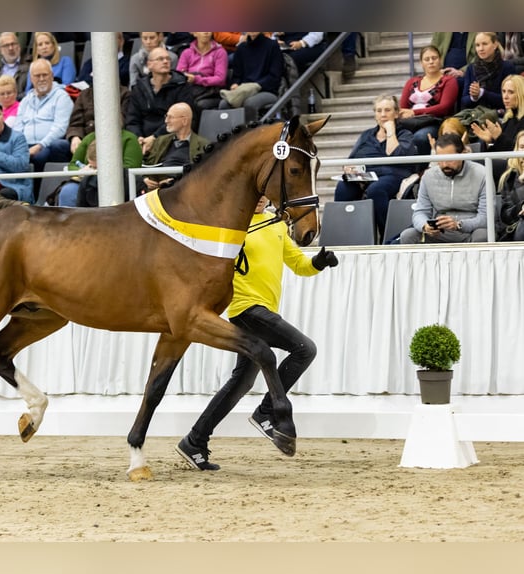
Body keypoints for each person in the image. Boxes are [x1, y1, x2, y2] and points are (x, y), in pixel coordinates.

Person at [175, 195, 339, 471]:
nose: (260, 199)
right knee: (304, 349)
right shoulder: (232, 225)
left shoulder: (276, 224)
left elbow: (298, 264)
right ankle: (267, 411)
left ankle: (194, 441)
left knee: (241, 382)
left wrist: (319, 263)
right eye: (256, 194)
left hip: (265, 310)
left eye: (264, 195)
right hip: (245, 308)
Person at [334, 94, 417, 239]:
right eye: (379, 111)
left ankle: (389, 237)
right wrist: (350, 169)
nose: (383, 114)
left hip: (393, 174)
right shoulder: (367, 135)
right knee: (343, 187)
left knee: (376, 190)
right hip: (365, 175)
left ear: (396, 113)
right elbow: (351, 160)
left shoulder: (404, 134)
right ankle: (344, 236)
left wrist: (390, 130)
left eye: (387, 110)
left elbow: (396, 155)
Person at [399, 132, 487, 244]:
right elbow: (420, 212)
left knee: (482, 236)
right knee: (408, 235)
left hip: (471, 229)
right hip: (440, 231)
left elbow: (486, 217)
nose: (444, 164)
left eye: (450, 159)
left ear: (463, 153)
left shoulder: (482, 173)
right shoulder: (428, 176)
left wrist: (459, 224)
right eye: (440, 159)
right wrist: (425, 226)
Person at [125, 46, 196, 155]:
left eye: (167, 59)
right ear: (149, 64)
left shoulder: (182, 86)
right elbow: (132, 120)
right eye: (160, 59)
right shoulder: (139, 88)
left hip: (172, 138)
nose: (165, 62)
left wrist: (154, 138)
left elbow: (181, 120)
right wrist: (139, 138)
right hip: (143, 140)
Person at [13, 59, 73, 174]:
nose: (41, 79)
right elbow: (17, 128)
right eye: (37, 76)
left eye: (44, 75)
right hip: (26, 145)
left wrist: (40, 145)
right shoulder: (26, 100)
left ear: (52, 76)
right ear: (31, 78)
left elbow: (60, 128)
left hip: (47, 145)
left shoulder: (62, 97)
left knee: (39, 156)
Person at [398, 45, 459, 157]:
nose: (431, 62)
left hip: (434, 121)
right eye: (427, 59)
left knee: (420, 138)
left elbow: (444, 107)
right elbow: (402, 107)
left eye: (434, 58)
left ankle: (419, 170)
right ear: (421, 63)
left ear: (440, 60)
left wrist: (414, 112)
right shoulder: (412, 82)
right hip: (410, 122)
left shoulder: (448, 81)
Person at [139, 102, 209, 194]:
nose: (166, 121)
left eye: (171, 117)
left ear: (184, 121)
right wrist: (145, 179)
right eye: (166, 116)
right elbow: (147, 166)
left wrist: (174, 182)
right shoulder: (161, 141)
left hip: (187, 191)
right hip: (158, 192)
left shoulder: (204, 145)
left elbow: (206, 174)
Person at [219, 32, 284, 123]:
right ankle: (228, 135)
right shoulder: (241, 48)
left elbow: (275, 76)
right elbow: (237, 75)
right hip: (243, 90)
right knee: (224, 104)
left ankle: (251, 135)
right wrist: (235, 84)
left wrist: (256, 85)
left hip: (266, 90)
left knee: (250, 103)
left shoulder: (272, 46)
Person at [66, 83, 130, 154]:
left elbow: (121, 122)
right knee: (58, 146)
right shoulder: (84, 94)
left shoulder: (124, 94)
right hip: (84, 137)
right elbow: (75, 123)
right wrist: (75, 136)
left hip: (111, 138)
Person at [460, 32, 515, 111]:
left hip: (498, 113)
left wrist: (482, 93)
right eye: (477, 45)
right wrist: (474, 97)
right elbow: (464, 100)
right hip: (475, 114)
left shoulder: (507, 67)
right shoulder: (471, 68)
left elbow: (510, 100)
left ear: (495, 45)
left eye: (485, 44)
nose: (481, 49)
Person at [175, 32, 228, 112]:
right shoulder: (187, 52)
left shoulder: (220, 52)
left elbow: (220, 79)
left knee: (196, 105)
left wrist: (197, 79)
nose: (206, 32)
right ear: (195, 33)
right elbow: (178, 75)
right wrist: (187, 77)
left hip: (210, 92)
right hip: (190, 90)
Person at [496, 129, 524, 241]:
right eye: (522, 147)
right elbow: (505, 216)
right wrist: (521, 207)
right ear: (516, 149)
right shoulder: (509, 178)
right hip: (519, 227)